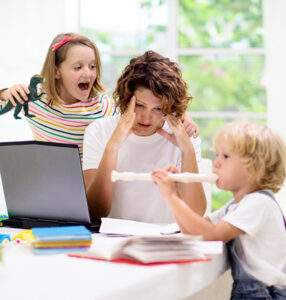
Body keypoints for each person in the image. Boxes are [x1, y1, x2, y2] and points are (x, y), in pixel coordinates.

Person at [152, 121, 286, 299]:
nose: (216, 163)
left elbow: (212, 234)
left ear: (255, 166)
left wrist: (172, 197)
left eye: (226, 156)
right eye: (217, 155)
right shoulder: (235, 206)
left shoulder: (259, 203)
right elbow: (193, 232)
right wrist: (176, 191)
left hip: (266, 294)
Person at [83, 50, 206, 222]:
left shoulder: (183, 136)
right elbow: (95, 211)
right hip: (112, 240)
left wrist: (188, 150)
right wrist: (113, 146)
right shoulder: (99, 131)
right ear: (126, 99)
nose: (146, 118)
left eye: (158, 109)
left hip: (165, 240)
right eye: (139, 105)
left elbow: (195, 213)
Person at [0, 33, 114, 157]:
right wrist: (5, 94)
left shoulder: (103, 108)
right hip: (44, 174)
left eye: (92, 66)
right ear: (56, 72)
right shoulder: (34, 98)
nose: (88, 73)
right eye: (78, 67)